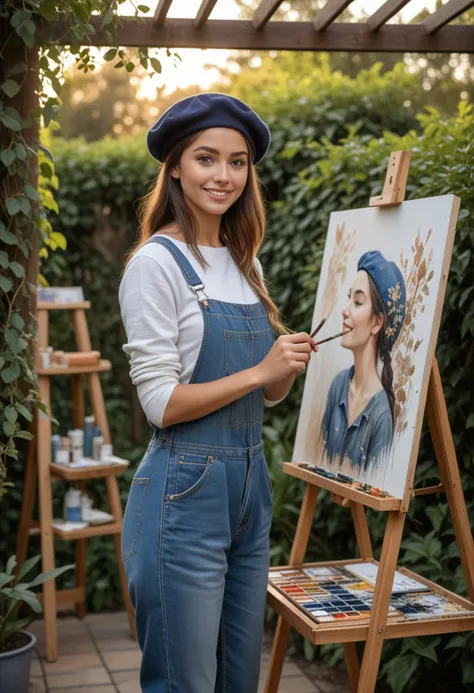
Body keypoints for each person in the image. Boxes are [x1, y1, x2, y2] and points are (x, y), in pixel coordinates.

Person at [118, 93, 317, 693]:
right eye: (207, 159)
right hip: (184, 490)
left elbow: (268, 396)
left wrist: (284, 367)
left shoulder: (242, 257)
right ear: (176, 165)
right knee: (188, 681)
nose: (223, 176)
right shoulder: (154, 265)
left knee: (238, 677)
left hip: (250, 486)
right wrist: (259, 371)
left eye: (237, 162)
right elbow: (162, 403)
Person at [322, 250, 406, 473]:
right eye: (349, 298)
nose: (345, 310)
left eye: (357, 302)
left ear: (377, 323)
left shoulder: (381, 416)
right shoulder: (338, 385)